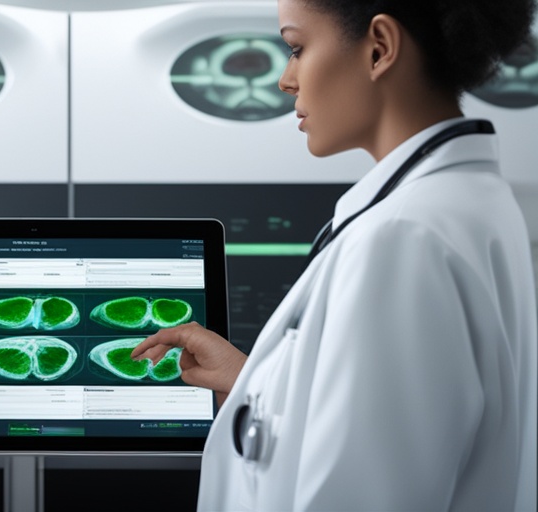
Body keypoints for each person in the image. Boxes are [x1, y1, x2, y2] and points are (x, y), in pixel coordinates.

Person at [132, 0, 538, 510]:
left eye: (297, 48)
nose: (286, 79)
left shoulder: (402, 238)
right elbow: (405, 430)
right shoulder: (469, 202)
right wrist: (252, 380)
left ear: (379, 49)